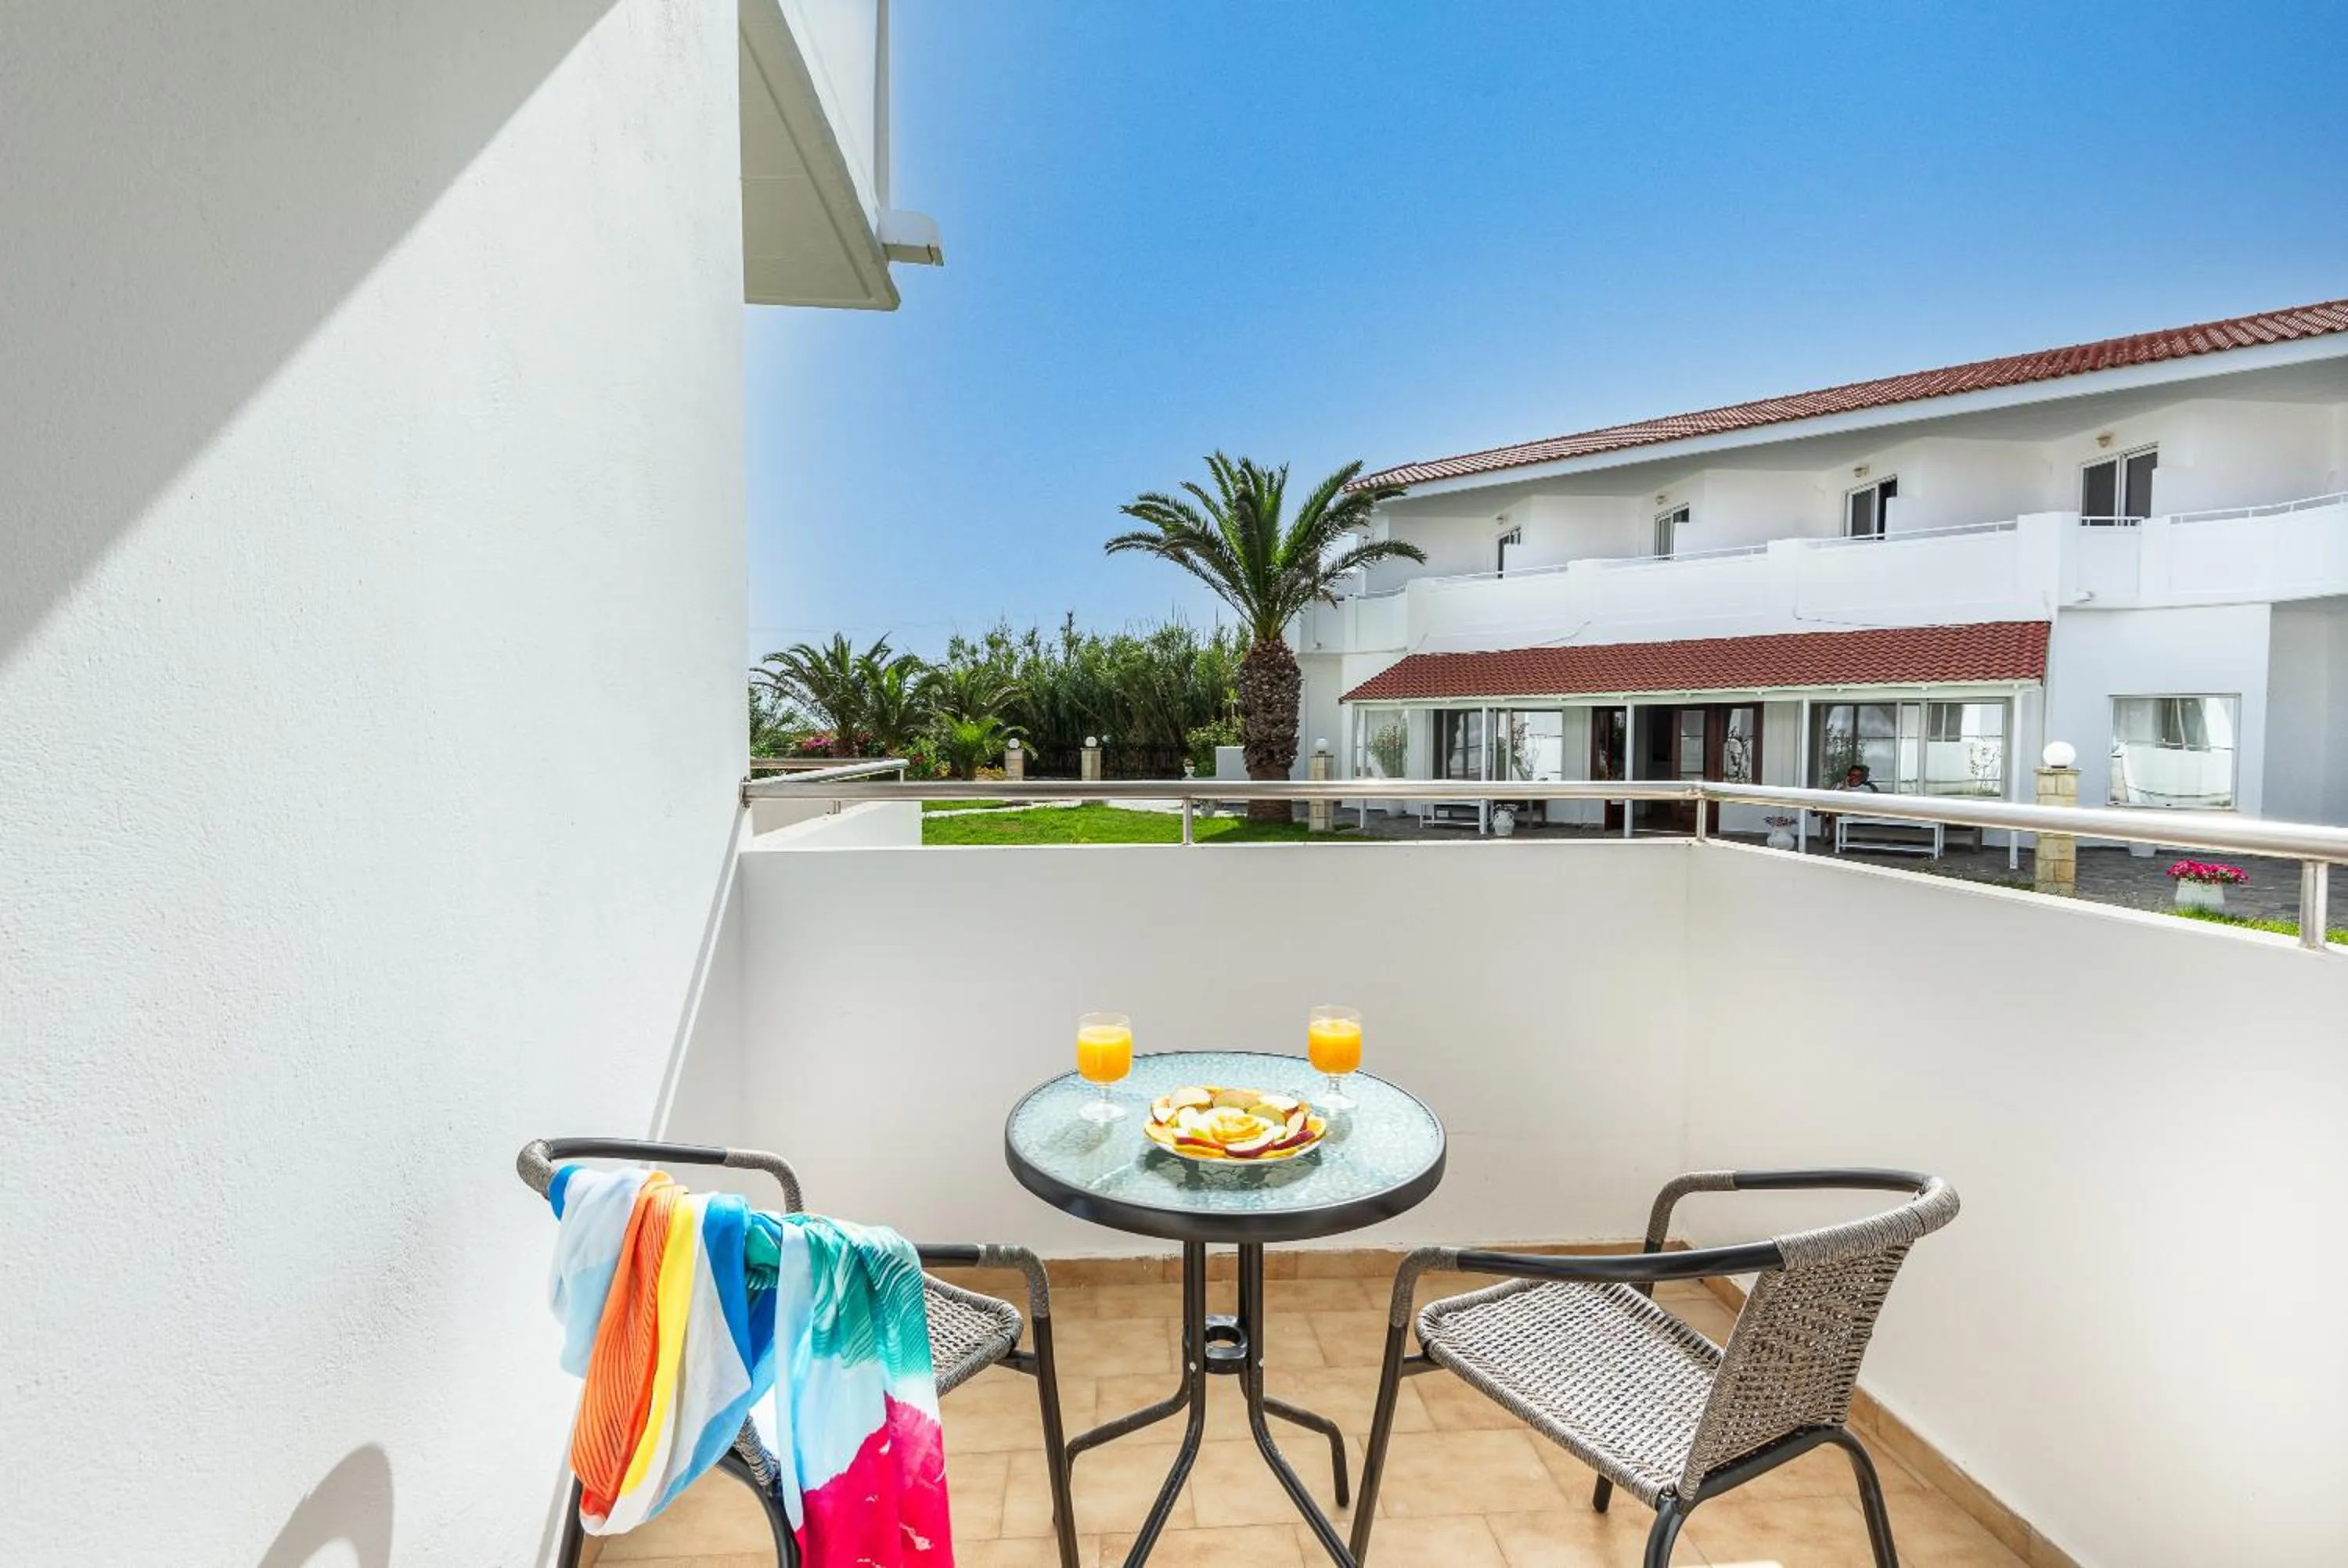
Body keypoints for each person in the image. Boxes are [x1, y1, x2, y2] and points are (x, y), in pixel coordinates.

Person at [1819, 763, 1879, 843]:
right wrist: (1845, 787)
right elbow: (1832, 797)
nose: (1855, 778)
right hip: (1842, 811)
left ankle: (1835, 838)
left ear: (1862, 778)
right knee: (1827, 810)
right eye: (1853, 775)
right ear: (1848, 776)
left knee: (1832, 811)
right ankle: (1834, 839)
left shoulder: (1866, 788)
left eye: (1858, 776)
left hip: (1860, 812)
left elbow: (1870, 802)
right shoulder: (1839, 785)